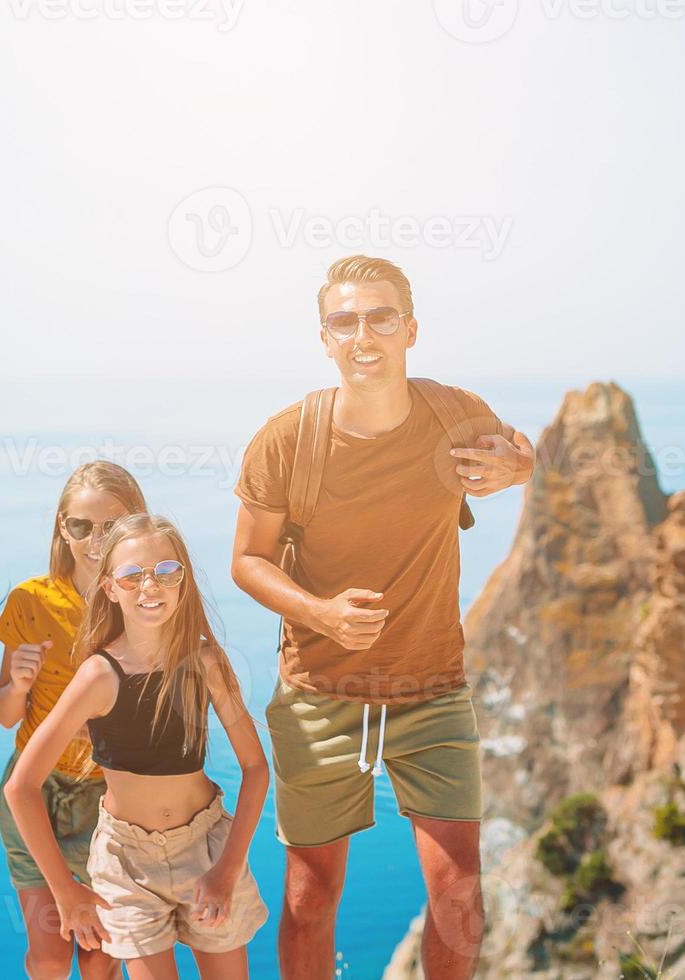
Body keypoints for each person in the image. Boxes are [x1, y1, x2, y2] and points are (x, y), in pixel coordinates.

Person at [230, 256, 536, 979]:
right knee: (310, 897)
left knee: (459, 889)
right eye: (345, 320)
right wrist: (320, 613)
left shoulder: (454, 412)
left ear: (410, 330)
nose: (363, 334)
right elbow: (248, 560)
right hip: (319, 692)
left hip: (432, 689)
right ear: (325, 337)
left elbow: (523, 451)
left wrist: (519, 468)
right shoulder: (285, 440)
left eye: (380, 318)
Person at [5, 513, 269, 980]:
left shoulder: (205, 662)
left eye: (167, 571)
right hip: (126, 865)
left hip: (207, 846)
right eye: (132, 575)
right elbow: (20, 788)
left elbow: (255, 769)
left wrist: (227, 870)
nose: (151, 585)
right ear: (109, 588)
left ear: (183, 581)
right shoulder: (97, 676)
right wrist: (65, 891)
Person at [0, 461, 146, 979]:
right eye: (81, 526)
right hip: (35, 792)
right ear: (63, 527)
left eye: (110, 526)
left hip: (111, 799)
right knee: (49, 957)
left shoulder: (143, 602)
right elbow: (3, 713)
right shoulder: (30, 600)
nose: (94, 539)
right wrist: (18, 685)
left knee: (100, 961)